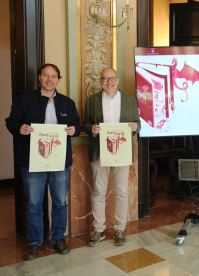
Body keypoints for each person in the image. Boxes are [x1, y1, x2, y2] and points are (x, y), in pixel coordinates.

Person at [5, 63, 81, 261]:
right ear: (39, 77)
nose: (50, 79)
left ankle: (58, 238)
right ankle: (34, 242)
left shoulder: (67, 103)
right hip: (32, 161)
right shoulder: (24, 100)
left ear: (58, 79)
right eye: (46, 75)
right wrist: (18, 128)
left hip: (59, 161)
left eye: (54, 76)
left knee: (60, 202)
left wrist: (74, 130)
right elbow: (10, 121)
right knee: (33, 204)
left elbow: (76, 125)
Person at [83, 67, 141, 247]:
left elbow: (138, 124)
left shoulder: (130, 100)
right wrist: (90, 129)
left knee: (122, 191)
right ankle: (98, 229)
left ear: (118, 79)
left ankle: (120, 228)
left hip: (121, 152)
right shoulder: (92, 100)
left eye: (113, 78)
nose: (109, 82)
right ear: (100, 81)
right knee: (99, 191)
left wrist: (134, 128)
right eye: (105, 79)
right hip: (99, 150)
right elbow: (85, 123)